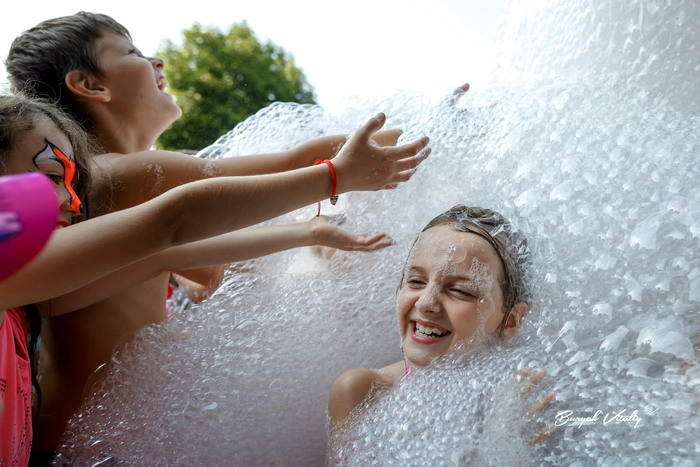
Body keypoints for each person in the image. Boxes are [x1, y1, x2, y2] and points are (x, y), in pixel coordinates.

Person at [5, 12, 410, 452]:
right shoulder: (125, 173)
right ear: (91, 85)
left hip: (87, 432)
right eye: (132, 51)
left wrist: (309, 236)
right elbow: (275, 171)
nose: (156, 60)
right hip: (92, 441)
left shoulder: (105, 183)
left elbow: (200, 267)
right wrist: (415, 137)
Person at [327, 205, 555, 431]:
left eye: (460, 291)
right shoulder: (362, 394)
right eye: (416, 281)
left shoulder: (530, 407)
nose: (425, 303)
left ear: (510, 321)